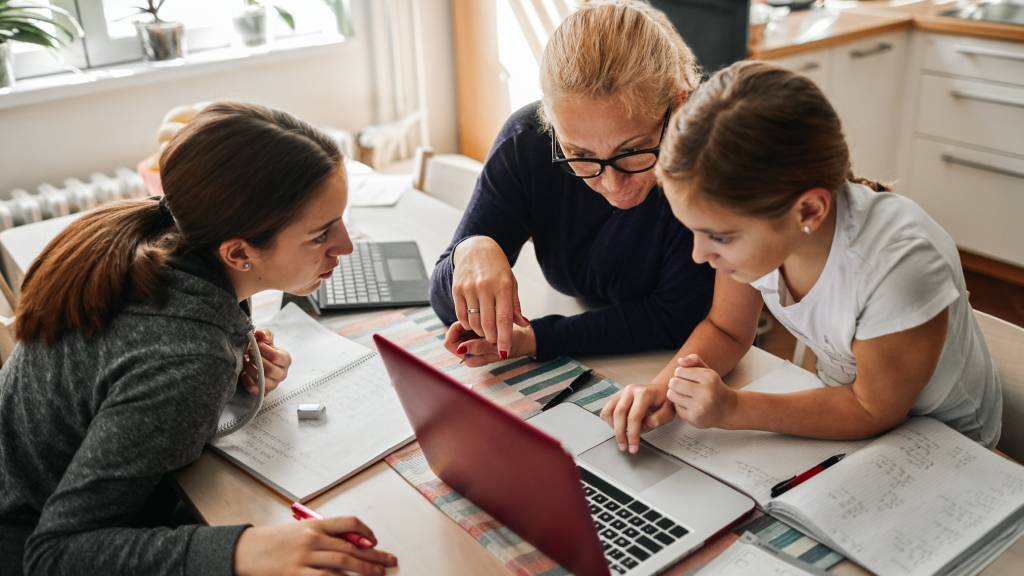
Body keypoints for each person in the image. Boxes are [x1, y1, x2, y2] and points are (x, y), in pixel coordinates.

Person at [0, 102, 398, 576]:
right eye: (320, 235)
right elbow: (54, 555)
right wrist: (245, 551)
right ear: (238, 253)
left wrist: (229, 363)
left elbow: (123, 369)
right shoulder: (186, 354)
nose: (346, 246)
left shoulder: (167, 239)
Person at [602, 61, 1002, 452]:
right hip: (845, 408)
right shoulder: (766, 233)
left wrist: (734, 408)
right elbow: (725, 329)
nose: (698, 255)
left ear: (809, 211)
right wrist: (662, 391)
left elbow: (872, 408)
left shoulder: (899, 265)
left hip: (947, 445)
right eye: (693, 230)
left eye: (718, 237)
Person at [431, 0, 715, 366]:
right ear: (549, 121)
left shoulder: (704, 158)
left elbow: (675, 316)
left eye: (632, 151)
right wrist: (470, 249)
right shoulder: (527, 142)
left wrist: (537, 339)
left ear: (677, 107)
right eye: (579, 154)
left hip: (685, 360)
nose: (612, 183)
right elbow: (444, 303)